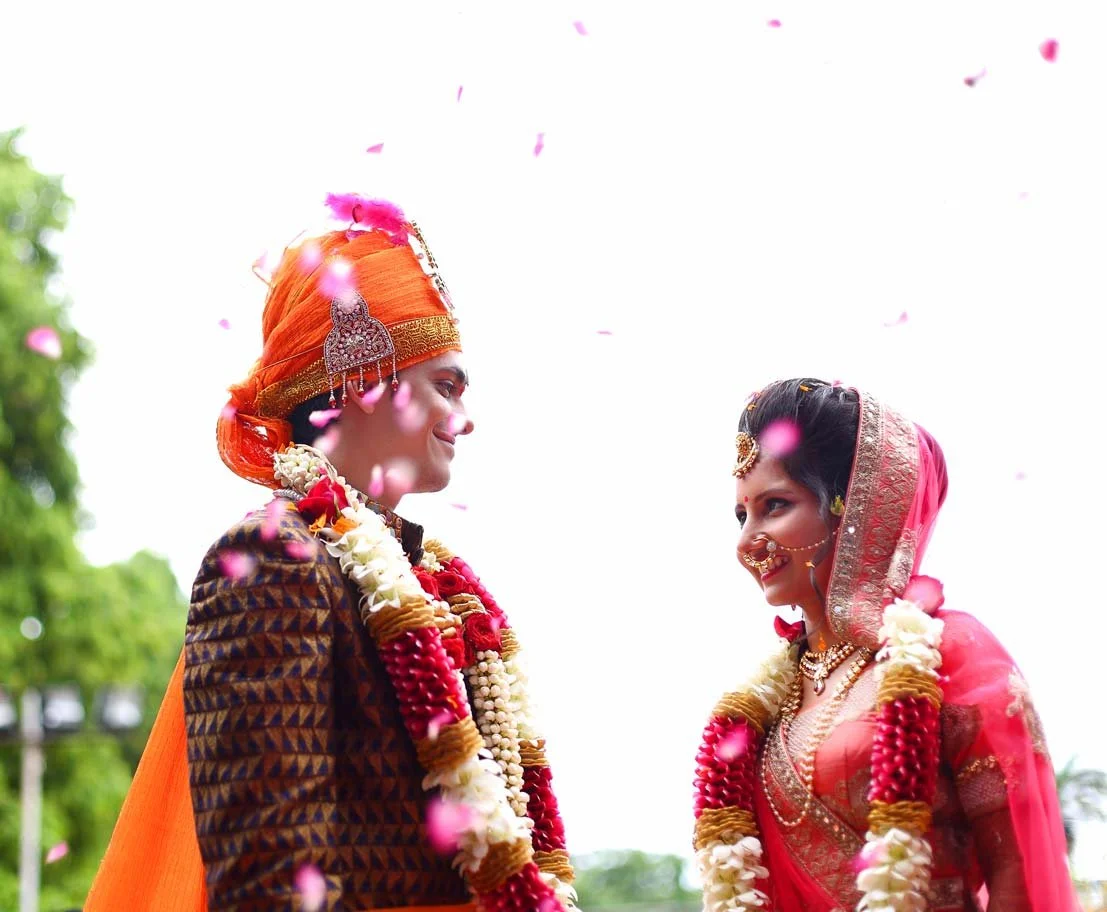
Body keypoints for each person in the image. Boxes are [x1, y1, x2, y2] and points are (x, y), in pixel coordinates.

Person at [87, 195, 576, 912]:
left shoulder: (439, 587)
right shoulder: (272, 559)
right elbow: (271, 884)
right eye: (445, 386)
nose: (464, 421)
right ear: (362, 376)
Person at [692, 378, 1077, 911]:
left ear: (851, 508)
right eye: (741, 515)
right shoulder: (763, 703)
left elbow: (1018, 872)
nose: (745, 542)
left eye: (774, 506)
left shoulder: (949, 653)